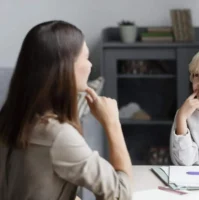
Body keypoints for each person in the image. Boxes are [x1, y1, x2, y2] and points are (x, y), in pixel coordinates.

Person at [0, 20, 132, 200]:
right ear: (66, 68)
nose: (90, 65)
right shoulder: (58, 135)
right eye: (86, 58)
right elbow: (121, 195)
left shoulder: (10, 118)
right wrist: (112, 123)